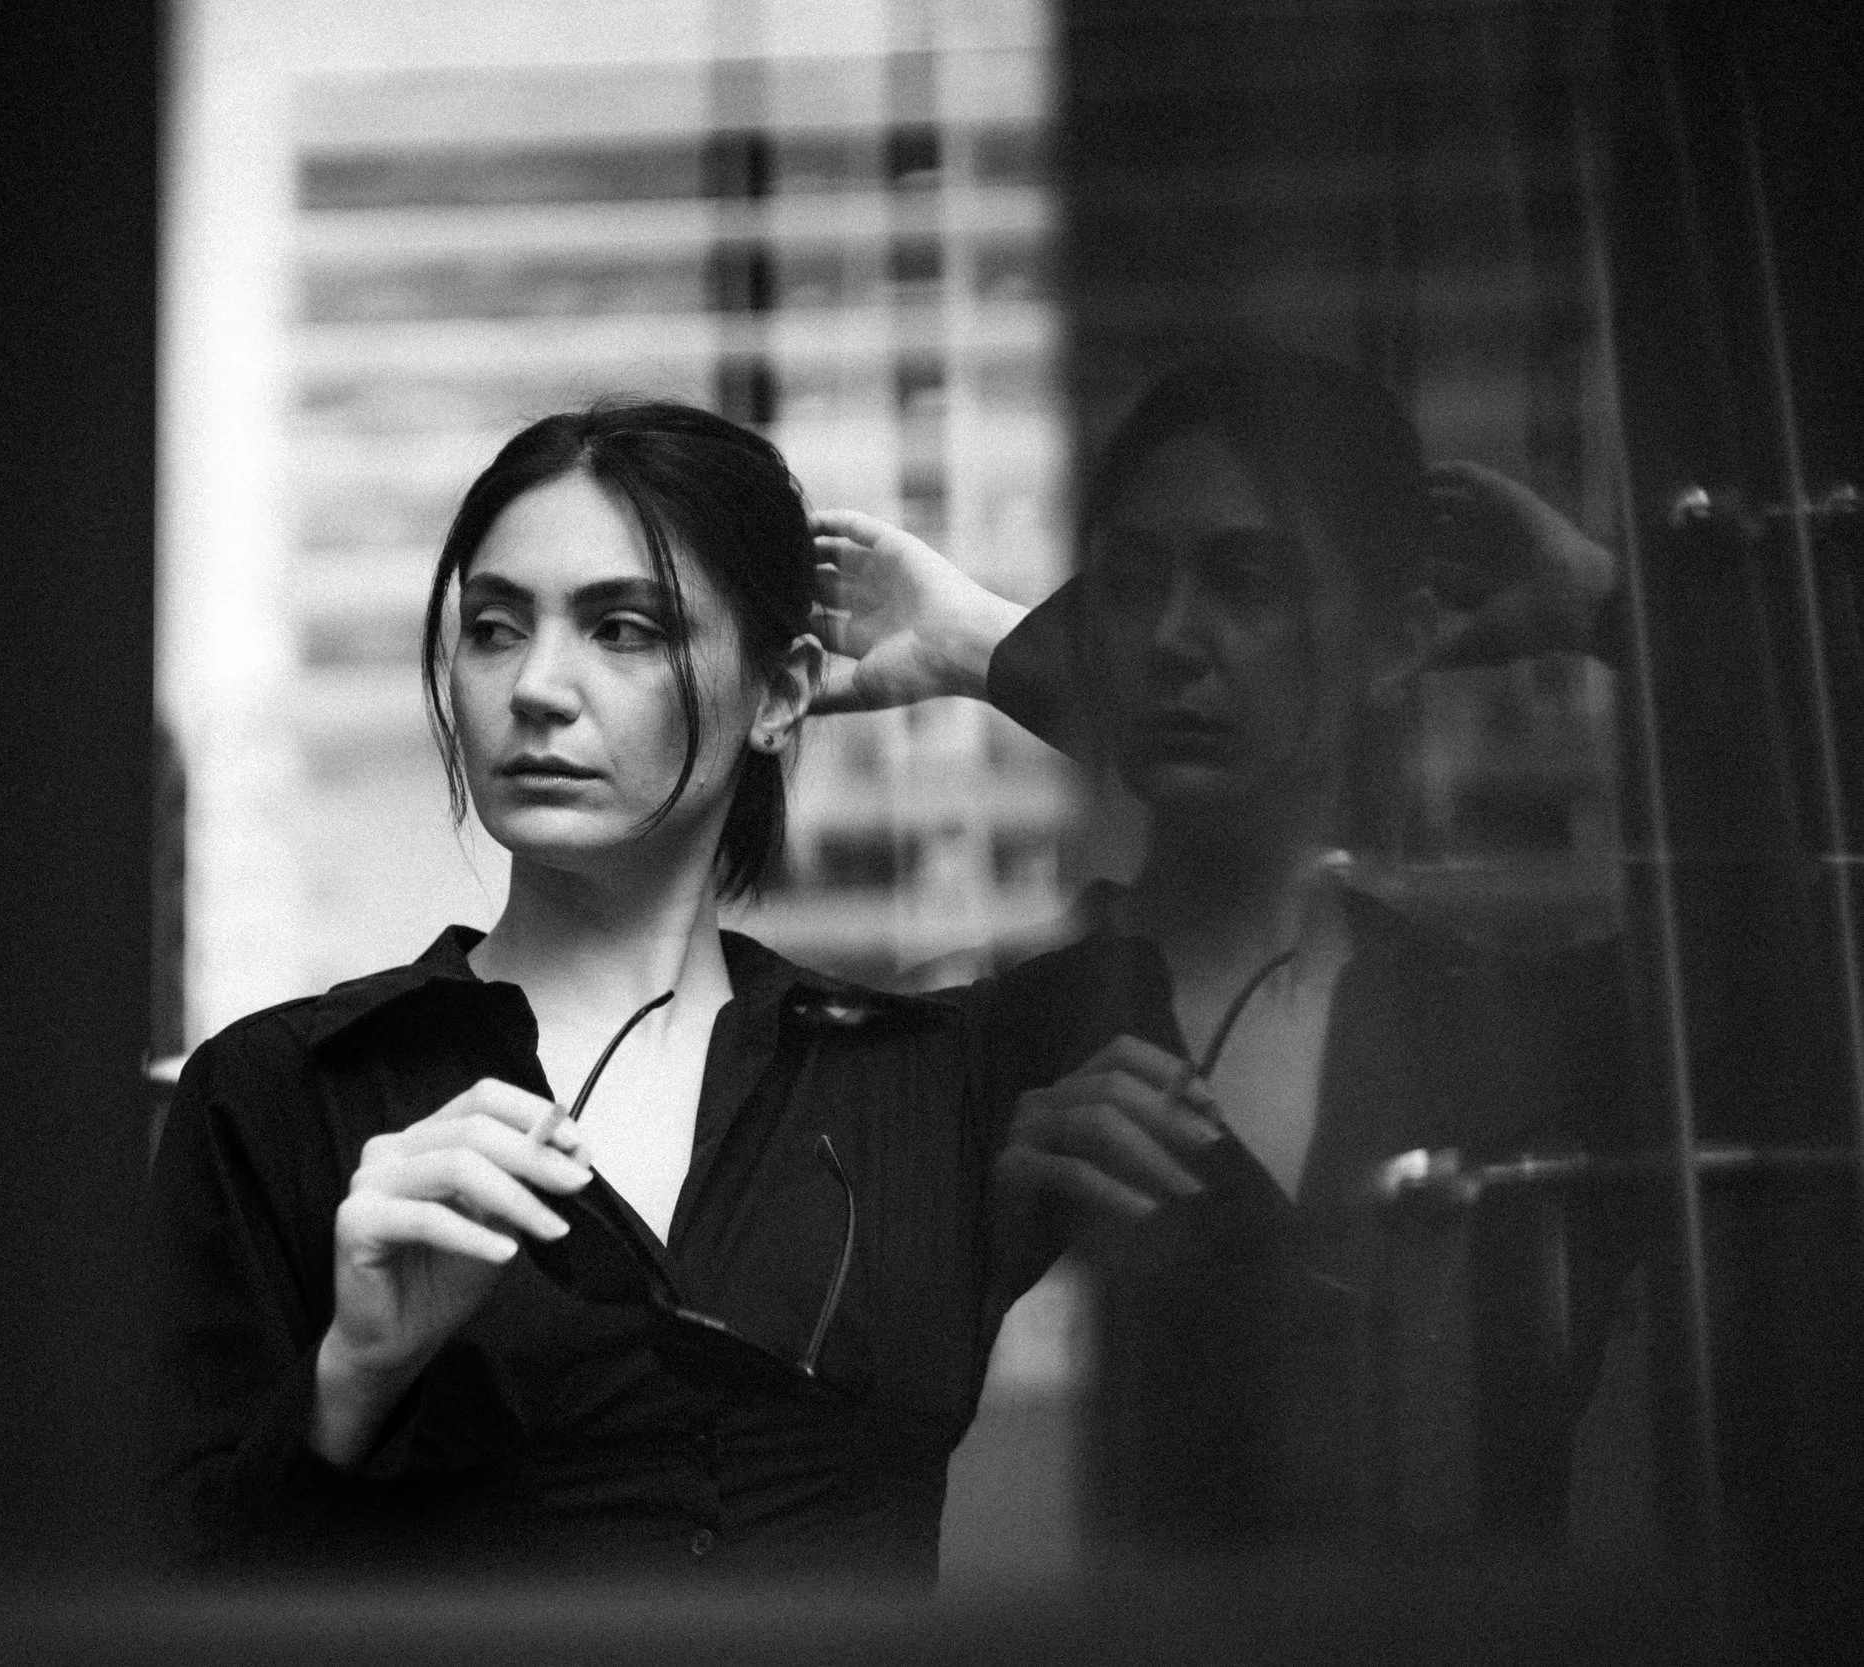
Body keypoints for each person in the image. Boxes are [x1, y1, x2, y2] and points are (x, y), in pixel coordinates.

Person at [145, 398, 1019, 1583]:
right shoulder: (286, 1092)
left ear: (779, 692)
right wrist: (353, 1378)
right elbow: (161, 1596)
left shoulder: (918, 1081)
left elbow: (1302, 790)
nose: (537, 687)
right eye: (495, 628)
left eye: (624, 628)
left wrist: (988, 649)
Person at [811, 350, 1643, 1550]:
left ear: (1395, 638)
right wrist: (980, 1257)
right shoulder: (976, 1054)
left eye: (1247, 579)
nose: (1169, 638)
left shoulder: (1518, 1027)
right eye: (1130, 582)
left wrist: (1610, 608)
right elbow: (802, 1492)